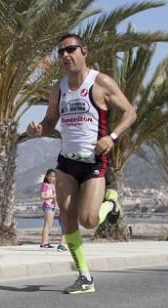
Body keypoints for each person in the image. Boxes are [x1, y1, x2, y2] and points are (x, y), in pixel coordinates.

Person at [26, 33, 137, 294]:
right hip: (66, 162)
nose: (65, 55)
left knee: (88, 220)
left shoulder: (100, 83)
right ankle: (85, 277)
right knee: (67, 219)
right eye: (61, 52)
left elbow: (130, 113)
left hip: (93, 162)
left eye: (70, 49)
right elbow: (50, 122)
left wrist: (111, 137)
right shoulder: (59, 88)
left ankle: (110, 203)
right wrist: (37, 129)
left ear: (84, 51)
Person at [37, 169, 66, 251]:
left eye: (53, 176)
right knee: (47, 225)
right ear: (46, 176)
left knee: (49, 225)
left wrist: (56, 206)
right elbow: (42, 196)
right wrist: (52, 196)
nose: (51, 178)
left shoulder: (52, 185)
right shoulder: (45, 185)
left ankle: (45, 242)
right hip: (47, 206)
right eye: (50, 176)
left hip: (52, 206)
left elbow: (55, 197)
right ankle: (44, 243)